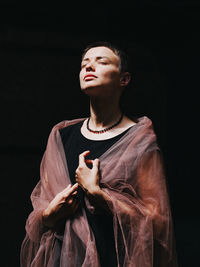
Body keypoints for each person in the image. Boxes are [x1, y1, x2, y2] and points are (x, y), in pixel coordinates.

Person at [20, 41, 178, 267]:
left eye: (101, 62)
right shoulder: (61, 135)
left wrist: (98, 194)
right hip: (64, 259)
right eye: (85, 64)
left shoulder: (139, 140)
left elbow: (157, 221)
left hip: (114, 258)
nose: (89, 68)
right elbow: (42, 213)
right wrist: (50, 214)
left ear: (124, 79)